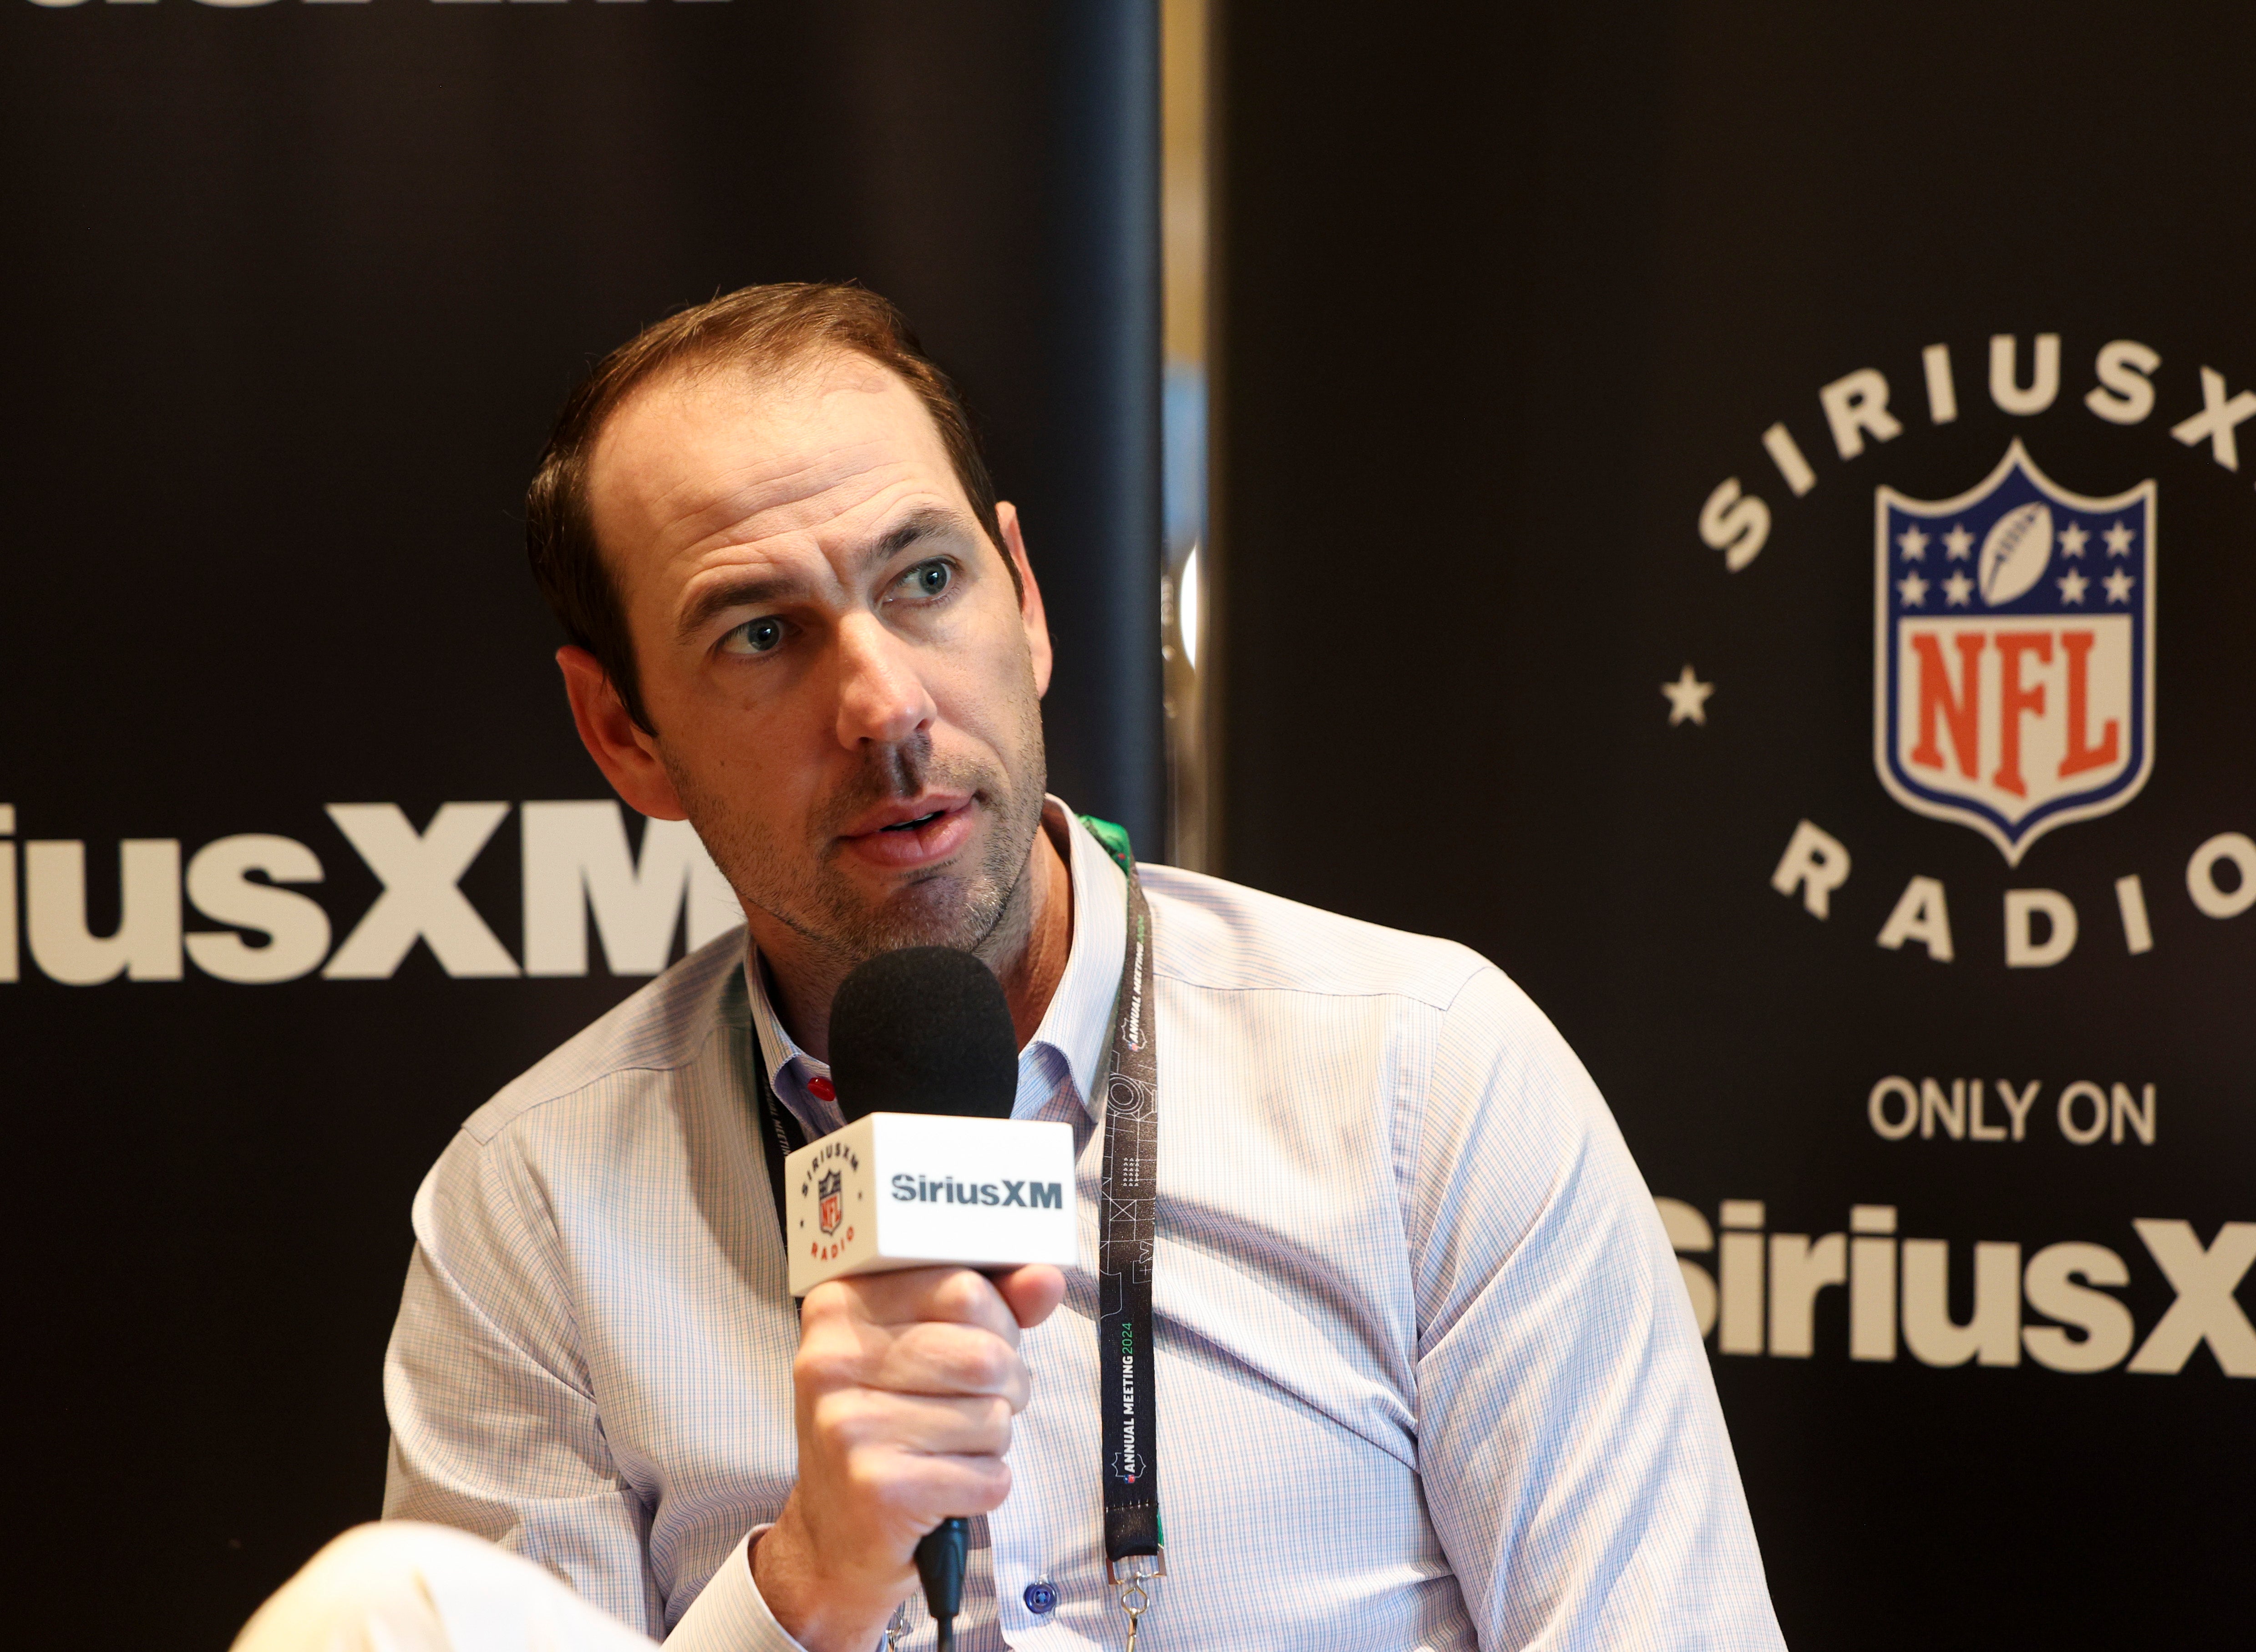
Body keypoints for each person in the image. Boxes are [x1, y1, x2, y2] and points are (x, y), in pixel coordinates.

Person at [382, 281, 1785, 1652]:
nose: (884, 704)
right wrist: (804, 1587)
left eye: (925, 579)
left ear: (1027, 600)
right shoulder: (535, 1215)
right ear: (623, 733)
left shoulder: (1427, 1080)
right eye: (762, 633)